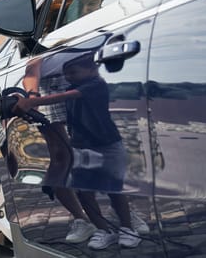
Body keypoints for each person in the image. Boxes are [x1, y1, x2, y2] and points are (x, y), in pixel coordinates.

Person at [14, 53, 142, 250]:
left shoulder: (95, 85)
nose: (68, 77)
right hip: (82, 146)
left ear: (92, 70)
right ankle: (103, 230)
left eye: (73, 72)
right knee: (84, 192)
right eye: (66, 74)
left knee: (113, 189)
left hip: (107, 147)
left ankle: (127, 228)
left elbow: (66, 95)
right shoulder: (75, 85)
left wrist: (33, 102)